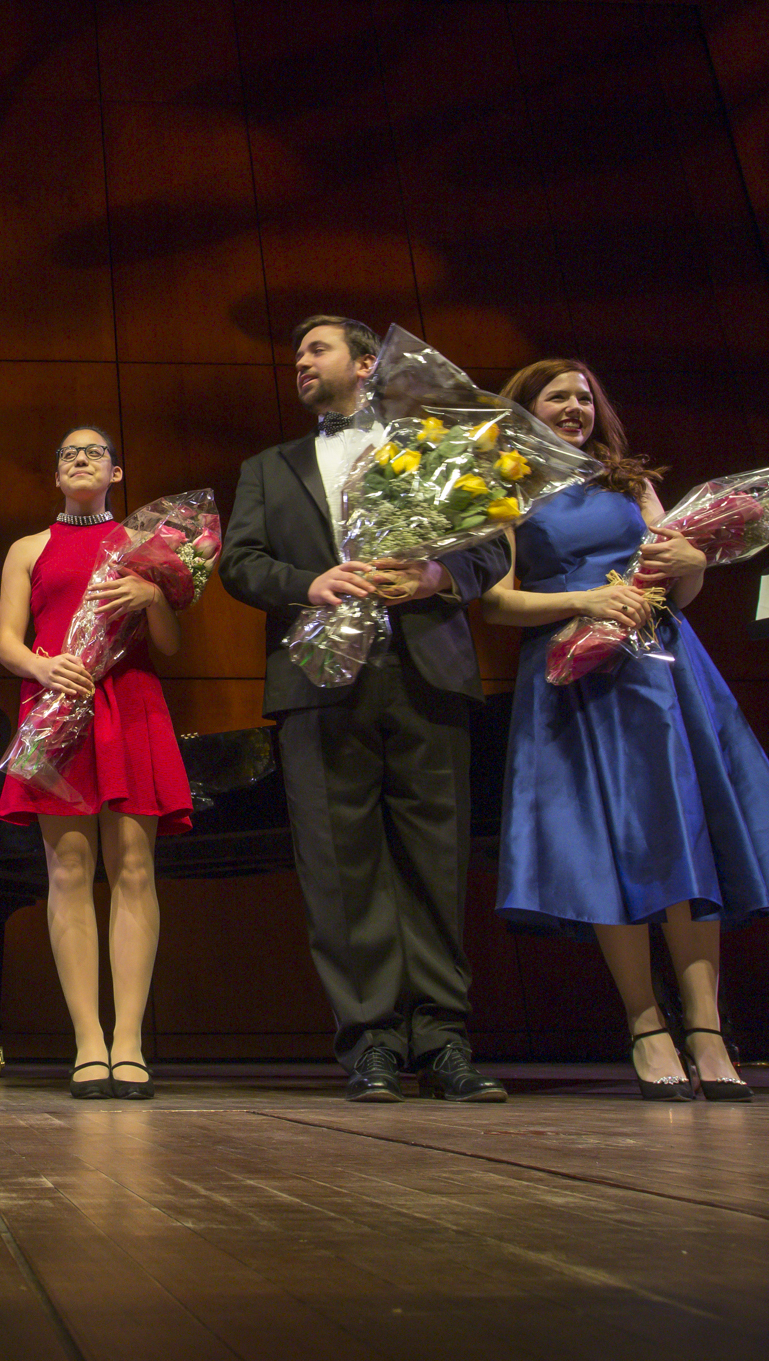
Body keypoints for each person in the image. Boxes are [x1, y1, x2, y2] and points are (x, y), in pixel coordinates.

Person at [481, 359, 769, 1100]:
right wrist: (586, 601)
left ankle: (707, 1028)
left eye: (586, 396)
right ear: (525, 411)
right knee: (611, 847)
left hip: (664, 672)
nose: (576, 407)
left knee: (687, 839)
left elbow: (680, 583)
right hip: (571, 680)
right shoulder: (504, 489)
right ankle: (646, 1026)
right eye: (558, 397)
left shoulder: (630, 483)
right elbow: (494, 603)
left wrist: (692, 561)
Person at [221, 315, 512, 1103]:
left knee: (435, 863)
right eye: (297, 354)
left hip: (426, 671)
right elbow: (240, 565)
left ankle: (444, 1042)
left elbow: (491, 550)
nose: (300, 363)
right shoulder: (267, 468)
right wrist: (308, 584)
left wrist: (435, 579)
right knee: (340, 873)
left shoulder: (434, 450)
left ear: (368, 361)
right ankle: (371, 1046)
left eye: (315, 349)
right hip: (316, 680)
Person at [0, 427, 191, 1099]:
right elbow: (5, 645)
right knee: (69, 871)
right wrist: (44, 666)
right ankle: (89, 1043)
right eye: (68, 453)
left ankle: (130, 1044)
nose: (80, 458)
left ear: (117, 472)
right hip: (56, 709)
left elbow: (166, 645)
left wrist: (155, 598)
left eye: (94, 452)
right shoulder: (28, 549)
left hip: (131, 705)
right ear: (56, 476)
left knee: (134, 869)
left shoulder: (148, 549)